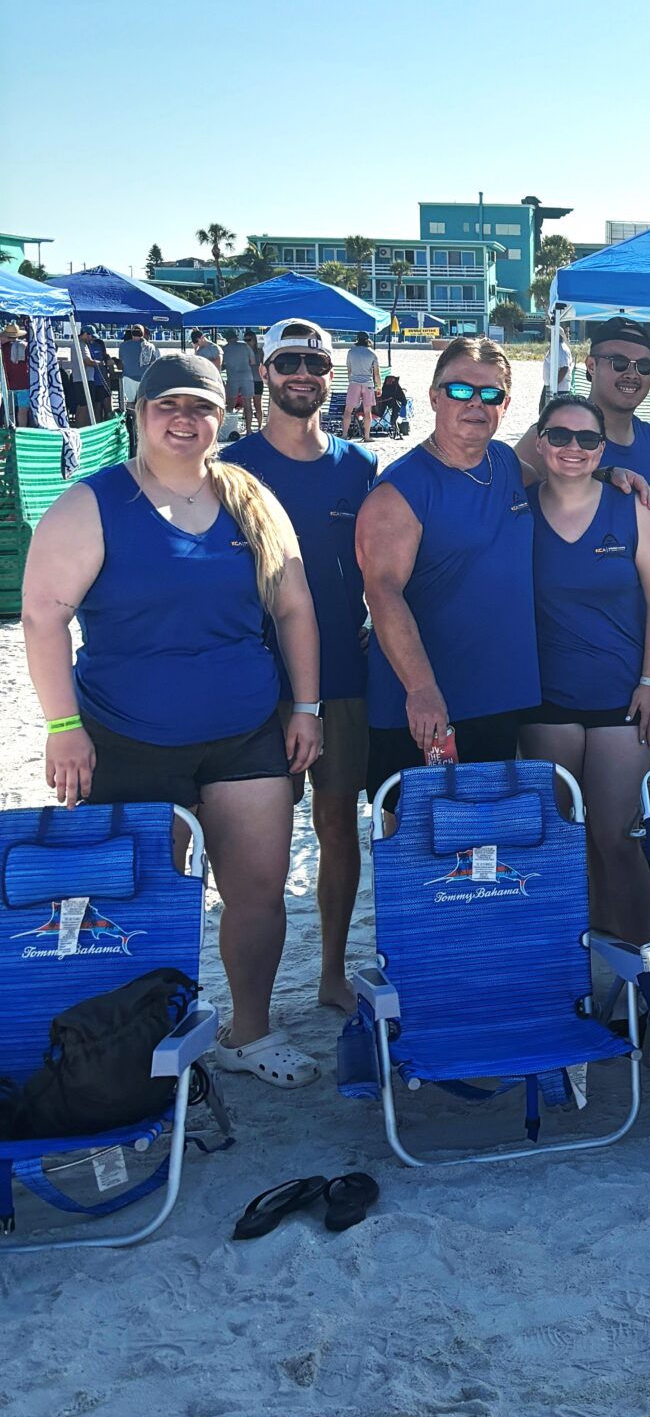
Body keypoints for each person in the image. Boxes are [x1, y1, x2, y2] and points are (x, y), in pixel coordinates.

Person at [21, 351, 325, 1086]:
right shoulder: (92, 504)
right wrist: (64, 728)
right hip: (127, 736)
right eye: (168, 406)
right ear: (140, 412)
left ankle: (248, 1031)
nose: (184, 420)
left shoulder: (249, 498)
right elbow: (42, 617)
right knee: (141, 900)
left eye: (201, 407)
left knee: (257, 890)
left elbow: (294, 608)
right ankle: (131, 1042)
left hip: (246, 730)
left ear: (224, 415)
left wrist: (308, 707)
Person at [226, 319, 380, 1012]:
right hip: (255, 679)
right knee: (257, 844)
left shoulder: (359, 466)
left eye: (316, 363)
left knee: (338, 824)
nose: (303, 374)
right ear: (263, 369)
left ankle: (331, 975)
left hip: (343, 672)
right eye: (288, 360)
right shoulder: (227, 467)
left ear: (333, 375)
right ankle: (249, 999)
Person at [357, 336, 540, 796]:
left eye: (491, 393)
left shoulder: (507, 463)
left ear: (505, 403)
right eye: (460, 390)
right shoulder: (399, 491)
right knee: (420, 854)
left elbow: (563, 483)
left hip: (501, 693)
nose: (476, 403)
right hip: (427, 708)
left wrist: (607, 474)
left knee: (492, 850)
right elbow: (382, 592)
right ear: (435, 396)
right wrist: (420, 690)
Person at [521, 391, 650, 925]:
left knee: (618, 840)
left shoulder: (633, 511)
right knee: (559, 841)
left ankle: (635, 965)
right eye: (559, 436)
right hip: (543, 699)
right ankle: (569, 965)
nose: (572, 447)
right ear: (539, 443)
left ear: (602, 449)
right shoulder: (515, 511)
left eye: (587, 439)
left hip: (621, 699)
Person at [518, 317, 650, 527]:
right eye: (619, 363)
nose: (632, 374)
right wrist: (600, 476)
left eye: (643, 366)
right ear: (591, 365)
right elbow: (501, 500)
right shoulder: (551, 437)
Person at [220, 330, 258, 433]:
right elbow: (253, 361)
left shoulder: (224, 349)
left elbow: (221, 366)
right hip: (247, 376)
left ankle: (227, 430)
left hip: (232, 377)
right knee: (248, 404)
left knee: (230, 406)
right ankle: (249, 430)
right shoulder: (245, 346)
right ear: (236, 336)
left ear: (226, 338)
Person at [342, 330, 378, 436]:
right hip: (368, 384)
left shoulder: (351, 352)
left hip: (354, 382)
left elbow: (349, 369)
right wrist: (379, 386)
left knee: (348, 410)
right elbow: (376, 373)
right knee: (367, 411)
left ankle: (344, 435)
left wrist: (351, 381)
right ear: (367, 340)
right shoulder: (372, 353)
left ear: (357, 339)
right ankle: (367, 436)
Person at [116, 324, 153, 414]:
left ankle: (130, 424)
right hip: (144, 379)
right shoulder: (150, 346)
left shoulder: (123, 346)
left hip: (128, 377)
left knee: (129, 404)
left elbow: (121, 362)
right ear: (143, 334)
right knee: (144, 405)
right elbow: (153, 364)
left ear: (132, 333)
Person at [3, 321, 32, 421]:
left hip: (8, 384)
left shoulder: (2, 348)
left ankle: (9, 429)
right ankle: (21, 430)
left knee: (9, 411)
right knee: (23, 411)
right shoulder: (25, 346)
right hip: (23, 383)